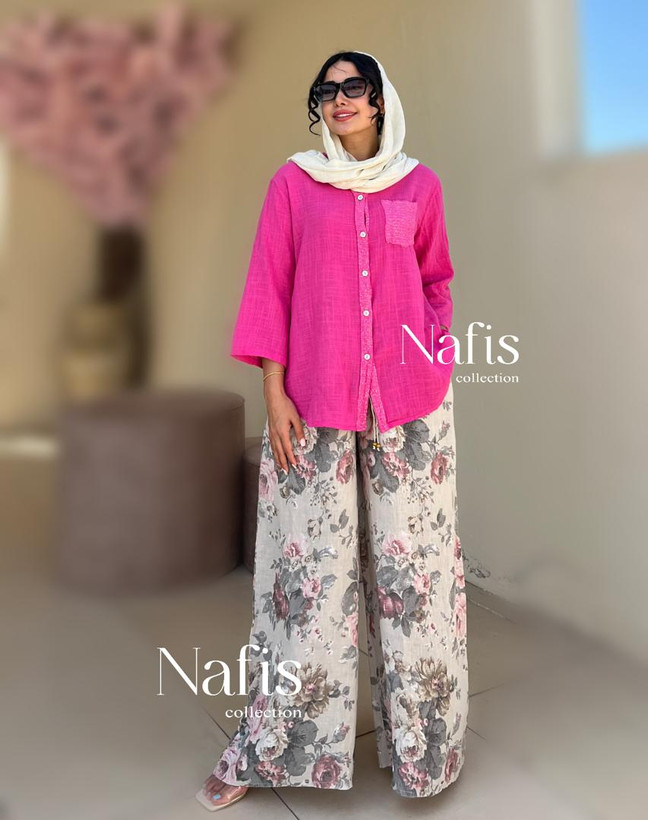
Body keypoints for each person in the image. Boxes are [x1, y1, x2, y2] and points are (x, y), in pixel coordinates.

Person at [196, 49, 468, 812]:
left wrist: (433, 354)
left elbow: (436, 280)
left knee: (415, 582)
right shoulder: (293, 183)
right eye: (327, 89)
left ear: (380, 101)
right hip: (311, 405)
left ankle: (426, 753)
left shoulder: (419, 186)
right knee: (305, 581)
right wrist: (273, 388)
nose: (340, 98)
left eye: (355, 86)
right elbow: (270, 284)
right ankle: (268, 745)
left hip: (410, 409)